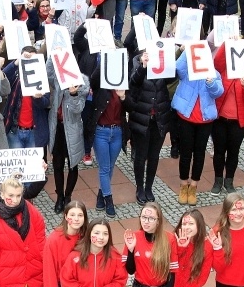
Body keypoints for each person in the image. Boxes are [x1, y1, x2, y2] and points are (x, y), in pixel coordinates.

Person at [172, 50, 224, 205]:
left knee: (199, 154)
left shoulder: (213, 73)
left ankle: (193, 185)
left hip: (205, 121)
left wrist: (211, 82)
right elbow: (178, 68)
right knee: (186, 152)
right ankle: (183, 185)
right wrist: (186, 51)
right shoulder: (188, 71)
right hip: (186, 118)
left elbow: (218, 92)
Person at [126, 50, 175, 204]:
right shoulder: (136, 60)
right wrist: (143, 66)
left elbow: (171, 78)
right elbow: (133, 81)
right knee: (140, 156)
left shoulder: (161, 57)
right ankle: (140, 187)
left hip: (159, 117)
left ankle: (149, 187)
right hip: (142, 118)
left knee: (154, 156)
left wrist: (171, 60)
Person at [212, 42, 244, 194]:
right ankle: (218, 180)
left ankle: (229, 180)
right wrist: (226, 44)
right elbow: (217, 61)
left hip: (238, 121)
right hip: (220, 119)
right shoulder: (224, 69)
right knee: (218, 151)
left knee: (233, 152)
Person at [47, 62, 89, 214]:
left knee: (73, 164)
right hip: (57, 128)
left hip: (71, 129)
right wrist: (52, 57)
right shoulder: (57, 79)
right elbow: (48, 72)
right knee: (57, 165)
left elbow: (78, 109)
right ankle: (59, 197)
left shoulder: (81, 83)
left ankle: (68, 196)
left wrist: (73, 94)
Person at [85, 67, 125, 218]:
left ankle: (101, 193)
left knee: (110, 167)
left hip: (117, 131)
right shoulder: (100, 85)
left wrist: (123, 98)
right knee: (104, 167)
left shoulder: (123, 85)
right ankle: (109, 199)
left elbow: (130, 106)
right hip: (101, 132)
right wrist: (104, 61)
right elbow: (93, 79)